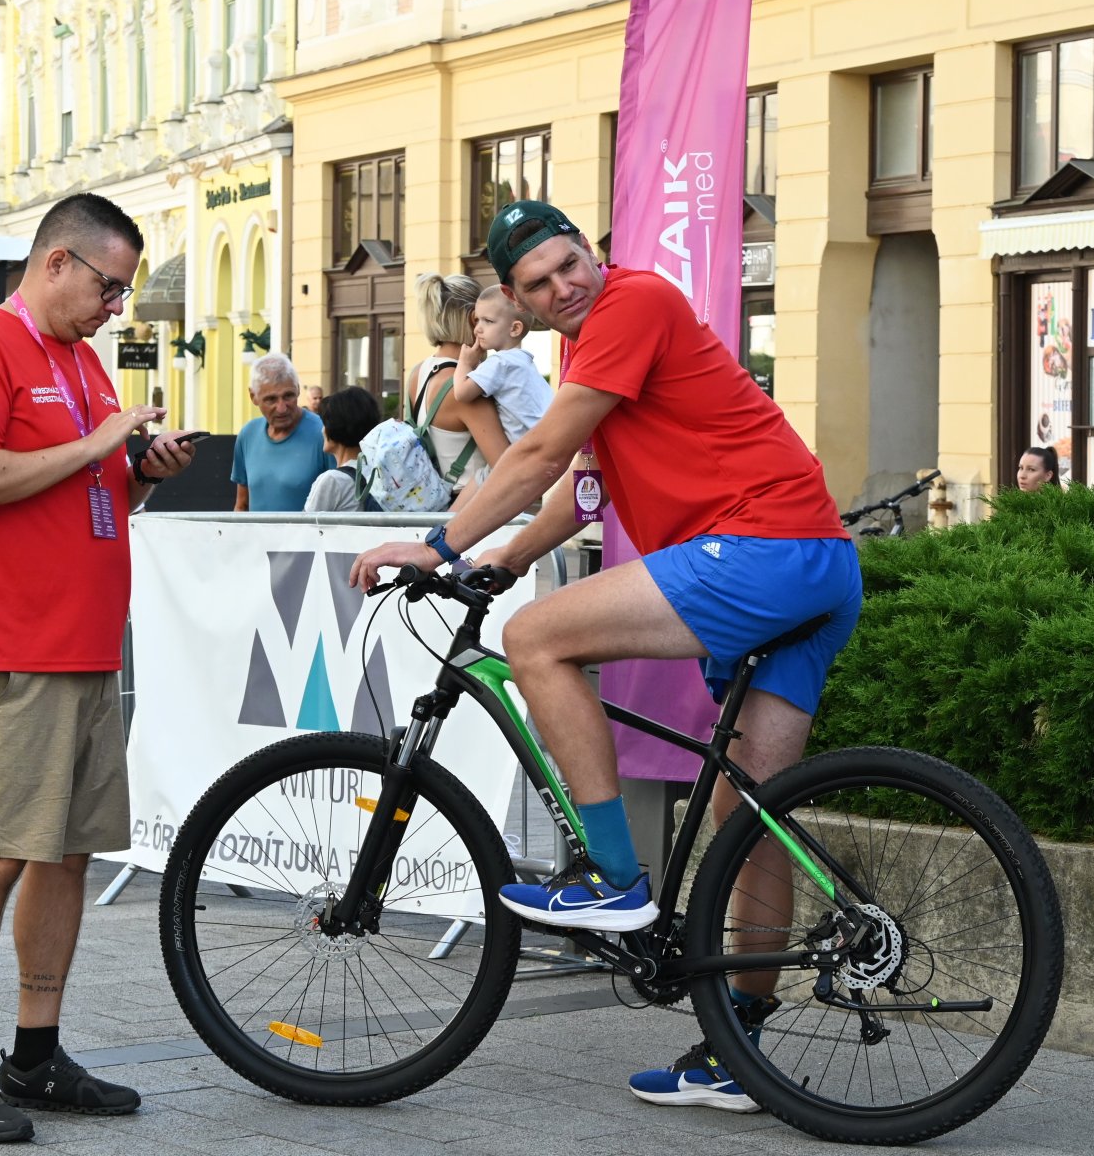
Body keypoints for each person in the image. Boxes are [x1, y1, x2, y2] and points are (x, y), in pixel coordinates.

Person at [351, 201, 860, 1114]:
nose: (562, 287)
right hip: (815, 562)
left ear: (591, 252)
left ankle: (614, 879)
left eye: (568, 265)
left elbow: (541, 452)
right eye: (539, 284)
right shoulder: (600, 353)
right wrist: (500, 556)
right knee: (753, 812)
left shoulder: (633, 303)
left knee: (536, 638)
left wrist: (438, 544)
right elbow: (581, 491)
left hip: (759, 549)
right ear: (515, 298)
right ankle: (738, 1053)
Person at [0, 193, 199, 1144]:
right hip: (14, 643)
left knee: (68, 852)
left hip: (84, 642)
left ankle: (34, 1055)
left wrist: (140, 469)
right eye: (108, 285)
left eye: (122, 290)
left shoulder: (80, 361)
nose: (115, 305)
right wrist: (94, 445)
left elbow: (89, 486)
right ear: (56, 263)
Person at [409, 272, 510, 497]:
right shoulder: (465, 389)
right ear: (474, 320)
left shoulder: (418, 373)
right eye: (489, 318)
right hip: (474, 508)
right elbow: (507, 470)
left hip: (434, 502)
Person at [455, 285, 553, 446]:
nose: (478, 329)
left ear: (514, 328)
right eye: (477, 320)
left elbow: (461, 393)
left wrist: (465, 362)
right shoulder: (523, 361)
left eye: (488, 321)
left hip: (531, 451)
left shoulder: (500, 363)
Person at [232, 353, 331, 511]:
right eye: (271, 399)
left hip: (308, 535)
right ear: (253, 396)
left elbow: (342, 506)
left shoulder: (325, 433)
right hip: (255, 535)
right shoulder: (248, 434)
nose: (281, 408)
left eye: (288, 396)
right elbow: (242, 505)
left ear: (298, 389)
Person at [304, 385, 384, 513]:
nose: (322, 430)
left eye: (325, 424)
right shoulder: (378, 472)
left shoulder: (332, 481)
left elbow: (305, 529)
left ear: (334, 429)